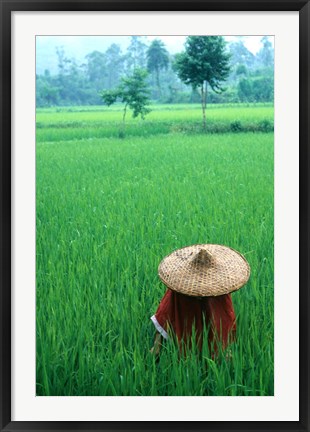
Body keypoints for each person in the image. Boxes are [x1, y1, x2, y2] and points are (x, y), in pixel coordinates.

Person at [150, 244, 250, 357]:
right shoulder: (177, 292)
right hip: (186, 305)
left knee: (215, 320)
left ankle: (220, 350)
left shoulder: (220, 295)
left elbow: (224, 318)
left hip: (211, 304)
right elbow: (165, 314)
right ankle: (160, 347)